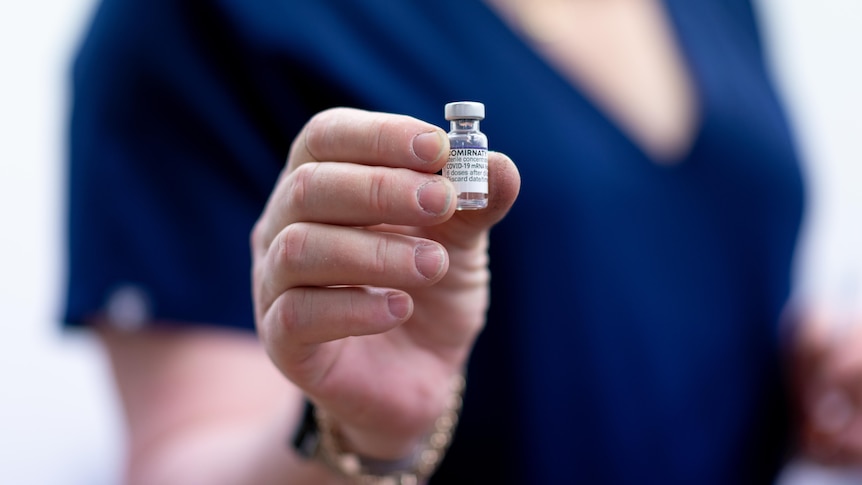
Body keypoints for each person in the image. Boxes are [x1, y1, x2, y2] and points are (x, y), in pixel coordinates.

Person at [62, 0, 862, 483]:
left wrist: (804, 378)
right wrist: (358, 434)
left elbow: (656, 261)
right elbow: (181, 459)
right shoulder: (206, 23)